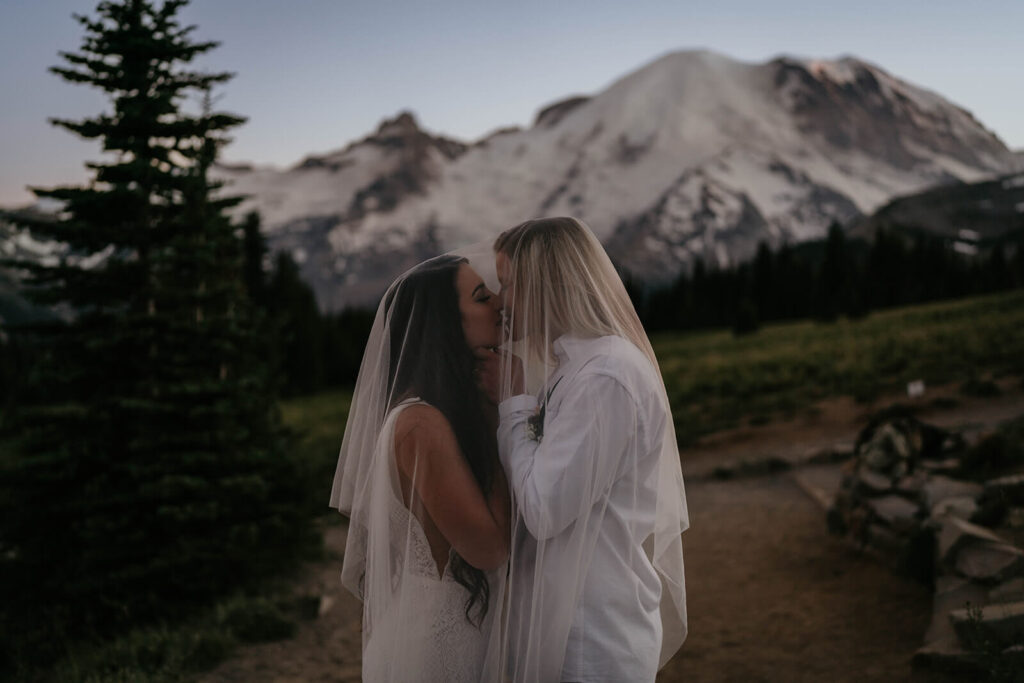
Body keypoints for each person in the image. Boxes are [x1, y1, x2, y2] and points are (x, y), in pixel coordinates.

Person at [479, 216, 689, 683]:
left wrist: (513, 403)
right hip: (565, 621)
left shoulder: (605, 376)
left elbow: (543, 508)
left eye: (509, 284)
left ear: (546, 285)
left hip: (591, 636)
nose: (502, 302)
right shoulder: (575, 368)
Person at [329, 254, 511, 682]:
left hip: (469, 625)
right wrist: (505, 418)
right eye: (482, 297)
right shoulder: (420, 425)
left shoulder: (443, 415)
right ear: (445, 323)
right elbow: (489, 550)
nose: (500, 306)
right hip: (446, 647)